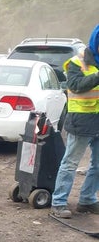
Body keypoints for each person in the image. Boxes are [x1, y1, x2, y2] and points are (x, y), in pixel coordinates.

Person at [50, 24, 99, 218]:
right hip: (82, 121)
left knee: (97, 165)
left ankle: (87, 200)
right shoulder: (76, 63)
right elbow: (76, 86)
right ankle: (59, 202)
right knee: (70, 163)